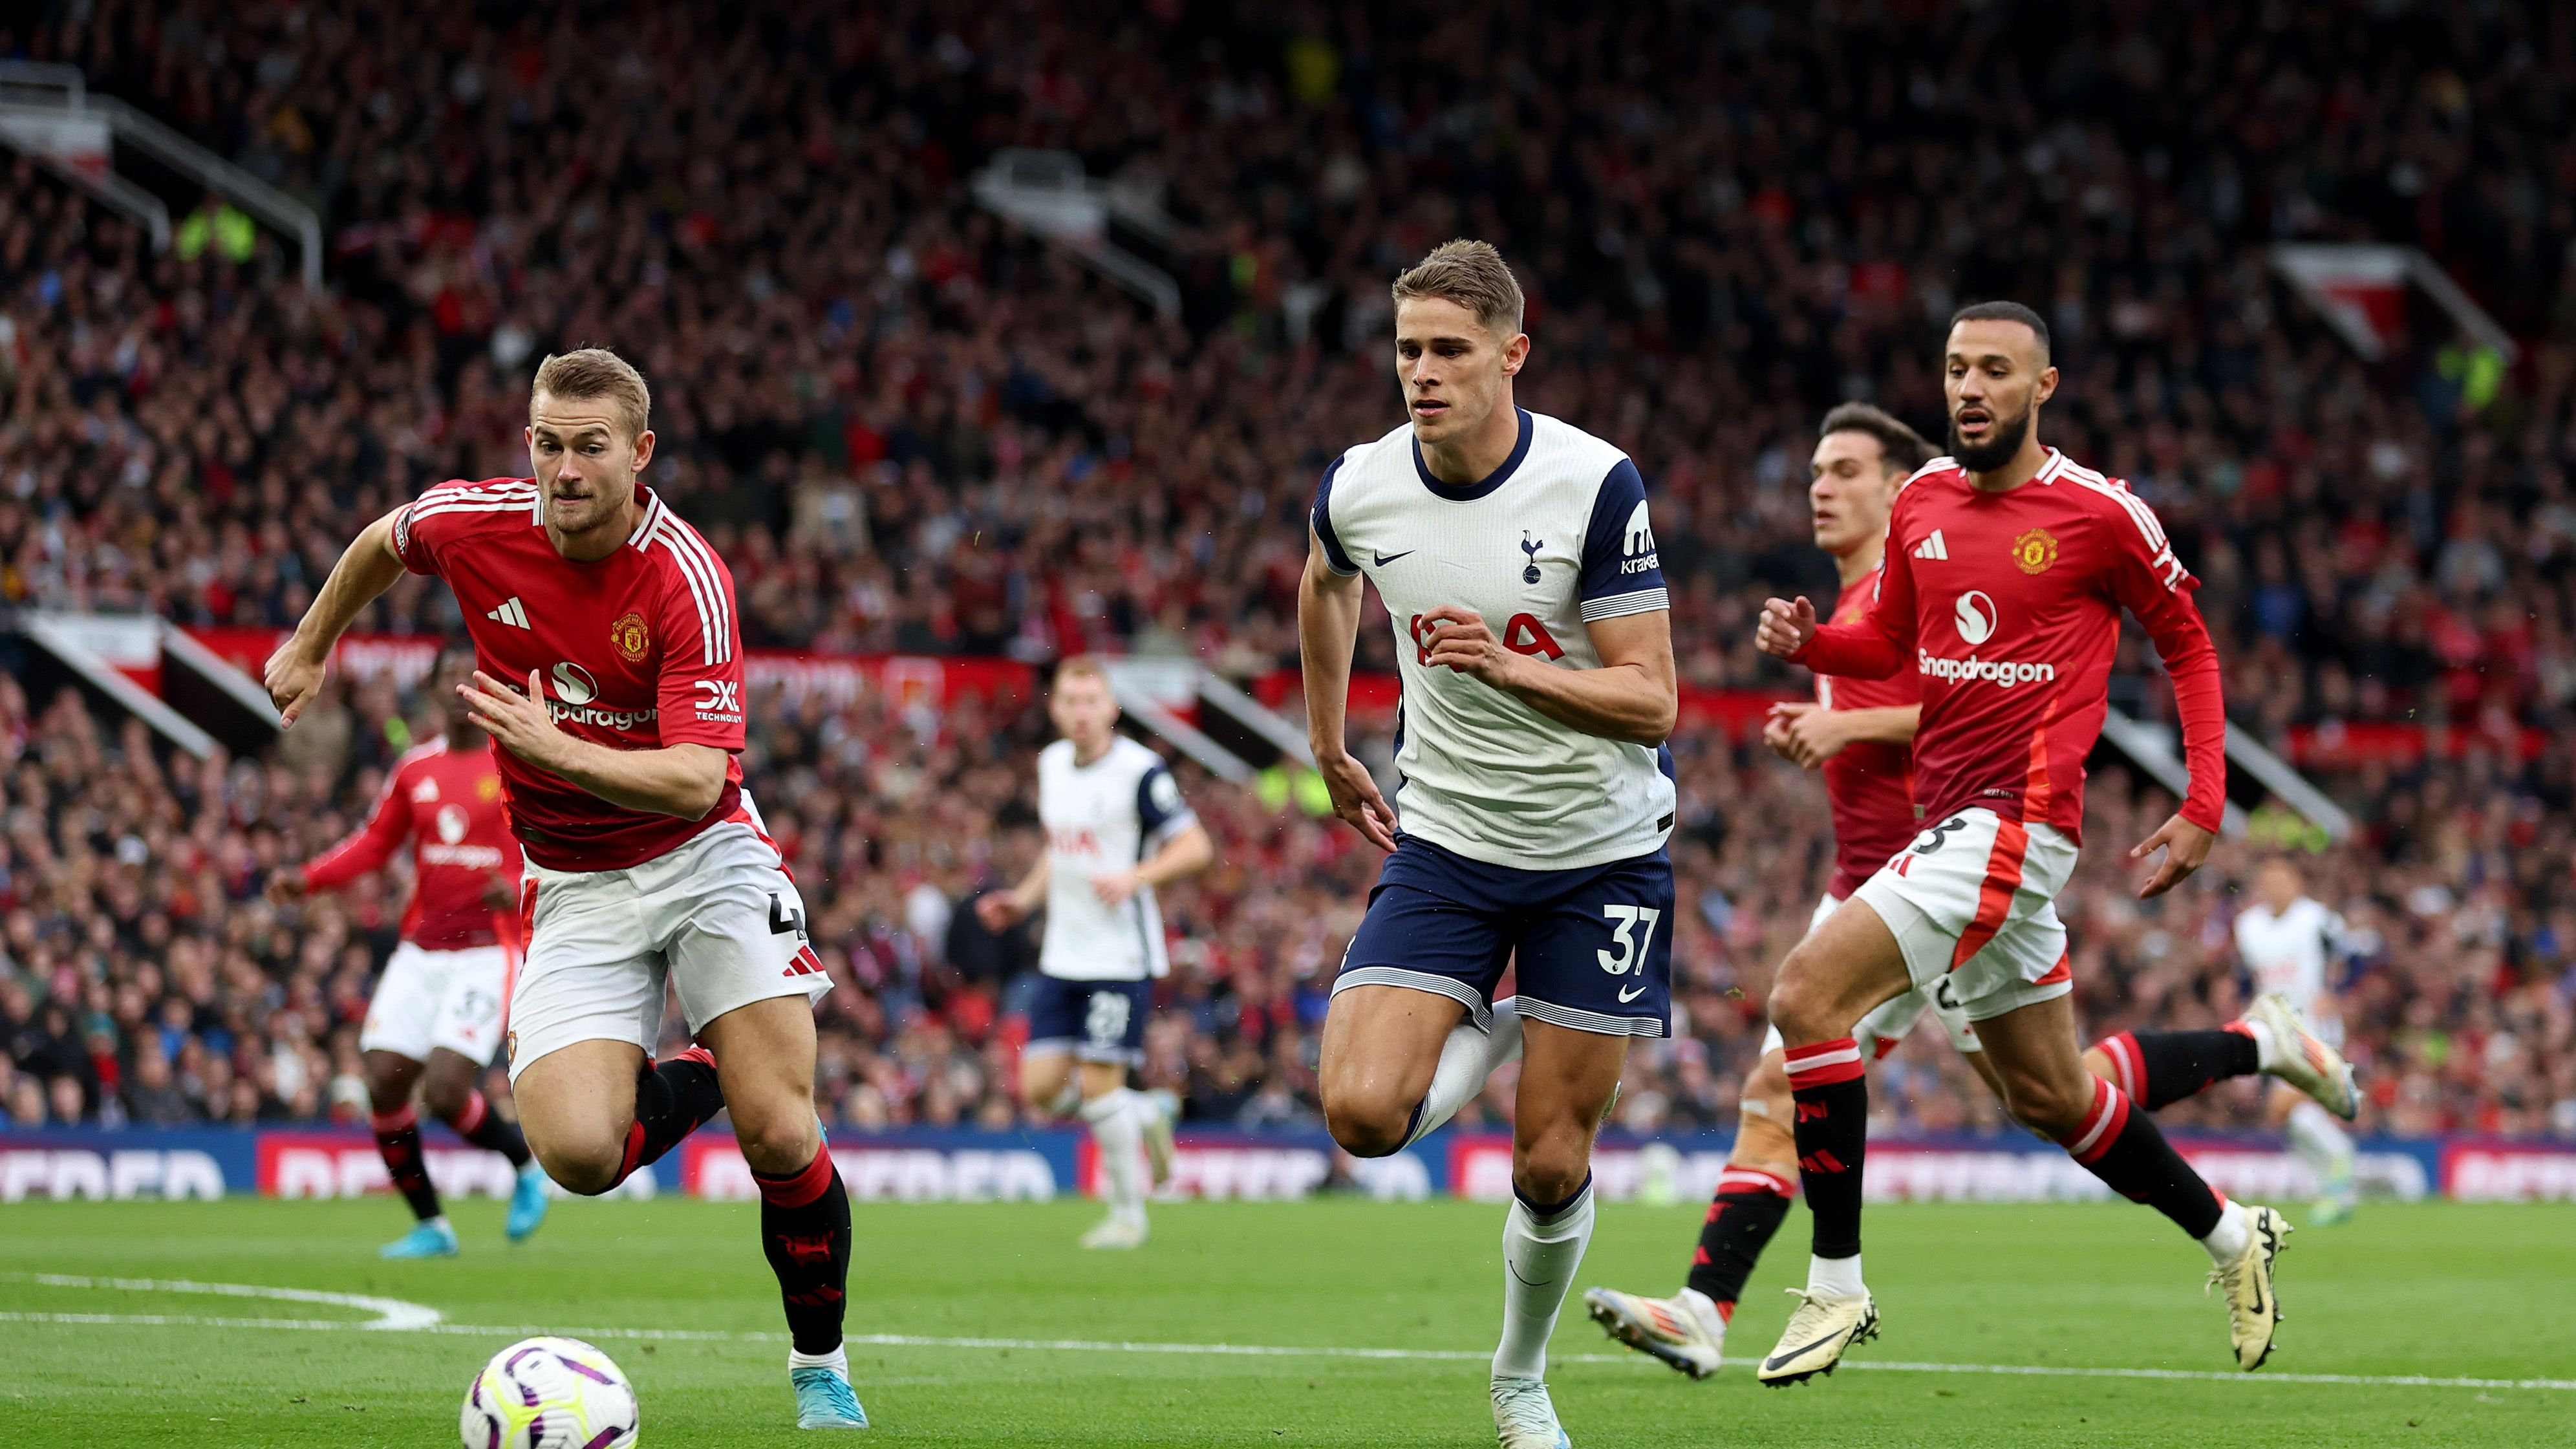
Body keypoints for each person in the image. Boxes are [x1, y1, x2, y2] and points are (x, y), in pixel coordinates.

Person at [1583, 405, 2361, 1378]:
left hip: (1951, 857)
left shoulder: (1954, 561)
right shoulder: (1872, 595)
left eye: (1847, 470)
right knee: (2052, 1092)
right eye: (1817, 469)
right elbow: (1895, 670)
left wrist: (1848, 730)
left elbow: (1972, 700)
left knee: (1794, 1049)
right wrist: (1819, 654)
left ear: (1898, 484)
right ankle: (2242, 1157)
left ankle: (1767, 1296)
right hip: (1897, 867)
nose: (1823, 487)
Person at [264, 349, 866, 1430]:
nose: (564, 467)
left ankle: (818, 1366)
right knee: (579, 1156)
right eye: (546, 441)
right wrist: (312, 643)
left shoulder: (685, 575)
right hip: (576, 878)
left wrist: (556, 745)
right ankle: (717, 1065)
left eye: (590, 446)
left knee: (782, 1134)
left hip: (704, 859)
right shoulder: (473, 522)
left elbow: (696, 777)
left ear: (638, 454)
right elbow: (383, 542)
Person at [1750, 302, 2290, 1384]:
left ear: (2042, 386)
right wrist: (1814, 640)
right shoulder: (1919, 505)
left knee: (1804, 997)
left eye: (1994, 370)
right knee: (2049, 1097)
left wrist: (2201, 803)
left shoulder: (2100, 514)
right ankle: (2235, 1237)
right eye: (1954, 368)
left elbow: (2185, 645)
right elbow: (1887, 637)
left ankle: (1834, 1286)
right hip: (1949, 822)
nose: (1968, 387)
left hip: (2015, 821)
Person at [1300, 239, 1678, 1449]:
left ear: (1509, 355)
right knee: (1359, 1115)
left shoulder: (1593, 483)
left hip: (1600, 852)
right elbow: (1323, 581)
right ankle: (1512, 1016)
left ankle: (1518, 1380)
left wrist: (1507, 664)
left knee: (1547, 1162)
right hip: (1449, 840)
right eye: (1407, 348)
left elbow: (1654, 700)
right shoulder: (1360, 485)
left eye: (1449, 350)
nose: (1421, 371)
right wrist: (1326, 741)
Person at [268, 639, 550, 1258]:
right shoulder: (416, 769)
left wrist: (528, 885)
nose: (458, 686)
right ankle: (433, 1225)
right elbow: (375, 843)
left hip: (487, 949)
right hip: (423, 948)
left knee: (447, 1091)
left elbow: (555, 844)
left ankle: (526, 1168)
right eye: (447, 675)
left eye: (468, 674)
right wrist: (309, 877)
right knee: (383, 1083)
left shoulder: (521, 764)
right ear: (432, 689)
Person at [976, 656, 1214, 1249]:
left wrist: (1137, 876)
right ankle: (1147, 1111)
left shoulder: (1140, 771)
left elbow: (1195, 845)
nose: (1081, 713)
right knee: (1041, 1090)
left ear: (1111, 707)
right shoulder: (1052, 764)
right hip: (1063, 955)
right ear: (1055, 708)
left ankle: (1129, 1214)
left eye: (1091, 701)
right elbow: (1062, 851)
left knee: (1101, 1087)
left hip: (1119, 957)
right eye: (1070, 701)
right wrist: (1023, 901)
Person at [2213, 857, 2363, 1222]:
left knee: (2285, 1106)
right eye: (2268, 881)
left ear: (2297, 883)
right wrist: (2235, 994)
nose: (2276, 888)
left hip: (2314, 1026)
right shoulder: (2249, 926)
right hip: (2274, 1029)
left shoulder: (2316, 919)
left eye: (2283, 880)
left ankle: (2340, 1163)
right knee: (2287, 1115)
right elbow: (2249, 975)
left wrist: (2335, 990)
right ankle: (2335, 1188)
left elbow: (2356, 956)